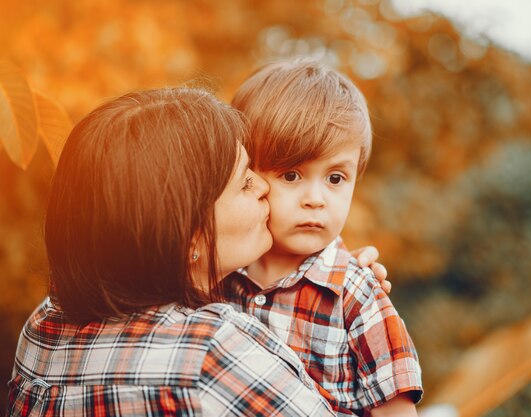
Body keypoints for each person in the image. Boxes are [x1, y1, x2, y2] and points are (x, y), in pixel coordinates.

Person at [7, 87, 339, 417]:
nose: (264, 186)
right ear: (188, 239)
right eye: (244, 183)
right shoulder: (212, 354)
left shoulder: (44, 325)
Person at [225, 59, 423, 416]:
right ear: (248, 175)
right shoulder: (221, 279)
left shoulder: (356, 293)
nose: (315, 198)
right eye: (290, 175)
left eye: (335, 178)